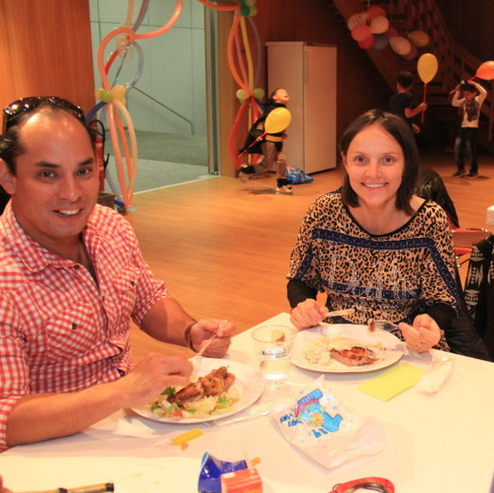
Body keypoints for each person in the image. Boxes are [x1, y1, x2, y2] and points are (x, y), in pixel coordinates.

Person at [0, 96, 233, 450]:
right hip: (56, 450)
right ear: (8, 176)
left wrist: (190, 332)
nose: (72, 193)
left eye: (83, 171)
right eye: (48, 174)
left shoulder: (109, 225)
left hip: (132, 424)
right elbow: (7, 419)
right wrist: (123, 391)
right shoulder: (6, 279)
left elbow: (147, 299)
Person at [287, 109, 460, 353]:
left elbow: (443, 300)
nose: (373, 173)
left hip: (407, 347)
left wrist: (430, 324)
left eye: (388, 160)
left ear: (406, 162)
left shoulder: (430, 219)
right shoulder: (324, 211)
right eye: (361, 159)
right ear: (345, 161)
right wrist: (303, 304)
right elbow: (300, 278)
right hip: (337, 346)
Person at [238, 88, 294, 194]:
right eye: (282, 92)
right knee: (267, 165)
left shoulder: (283, 110)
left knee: (282, 161)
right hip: (269, 141)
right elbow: (262, 123)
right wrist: (258, 134)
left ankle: (281, 184)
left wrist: (282, 133)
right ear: (274, 97)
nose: (285, 93)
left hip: (278, 141)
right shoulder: (271, 109)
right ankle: (246, 170)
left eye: (286, 92)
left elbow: (277, 124)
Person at [451, 80, 487, 177]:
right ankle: (461, 169)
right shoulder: (464, 101)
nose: (465, 96)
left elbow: (484, 93)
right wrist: (457, 91)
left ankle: (474, 171)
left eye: (467, 94)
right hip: (463, 128)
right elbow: (454, 103)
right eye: (464, 94)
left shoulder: (477, 100)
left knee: (471, 150)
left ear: (474, 93)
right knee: (457, 148)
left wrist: (475, 84)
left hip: (472, 128)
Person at [388, 71, 427, 135]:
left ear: (398, 84)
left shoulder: (393, 98)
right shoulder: (408, 97)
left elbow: (396, 114)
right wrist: (420, 108)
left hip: (395, 127)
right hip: (404, 129)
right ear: (411, 86)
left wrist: (411, 124)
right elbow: (408, 114)